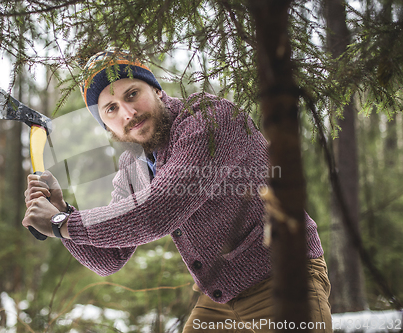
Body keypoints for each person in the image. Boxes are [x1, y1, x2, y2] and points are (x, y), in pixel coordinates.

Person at [23, 49, 332, 332]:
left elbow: (158, 211)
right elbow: (110, 258)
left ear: (157, 90)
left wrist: (60, 224)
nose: (128, 114)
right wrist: (63, 212)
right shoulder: (133, 165)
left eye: (133, 94)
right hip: (220, 298)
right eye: (111, 110)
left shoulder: (209, 118)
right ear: (107, 127)